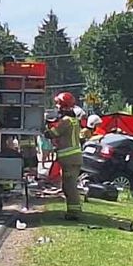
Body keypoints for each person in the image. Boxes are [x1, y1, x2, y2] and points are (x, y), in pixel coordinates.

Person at [47, 91, 83, 221]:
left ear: (63, 106)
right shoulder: (73, 120)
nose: (56, 108)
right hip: (73, 158)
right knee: (67, 185)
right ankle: (73, 210)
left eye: (58, 105)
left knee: (70, 186)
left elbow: (52, 134)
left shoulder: (66, 121)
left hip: (69, 159)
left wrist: (45, 127)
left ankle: (74, 213)